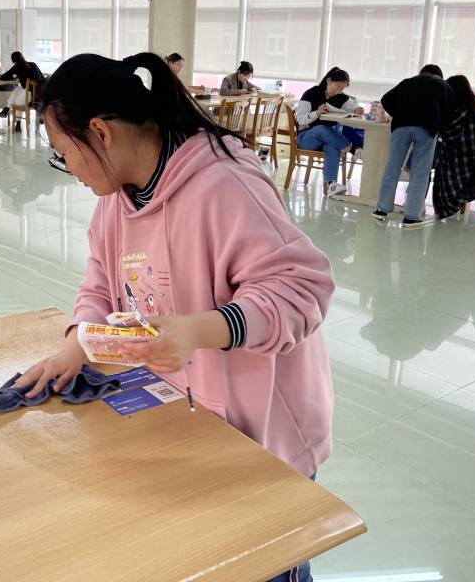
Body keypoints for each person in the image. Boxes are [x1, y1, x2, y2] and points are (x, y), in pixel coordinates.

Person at [17, 52, 335, 582]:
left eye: (63, 153)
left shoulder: (224, 186)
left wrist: (198, 330)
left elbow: (303, 289)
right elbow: (100, 280)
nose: (68, 169)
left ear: (100, 133)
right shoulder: (118, 197)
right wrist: (77, 345)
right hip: (192, 423)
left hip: (262, 441)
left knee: (265, 568)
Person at [372, 65, 454, 228]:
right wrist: (439, 124)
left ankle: (381, 210)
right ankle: (411, 217)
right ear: (439, 76)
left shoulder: (407, 82)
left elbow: (386, 99)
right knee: (420, 172)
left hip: (401, 127)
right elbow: (449, 112)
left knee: (392, 168)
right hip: (427, 128)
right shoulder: (443, 86)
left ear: (421, 74)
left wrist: (399, 113)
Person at [294, 67, 364, 198]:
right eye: (337, 87)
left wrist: (357, 110)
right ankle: (352, 149)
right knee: (321, 129)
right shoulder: (310, 94)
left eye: (341, 89)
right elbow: (301, 119)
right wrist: (317, 113)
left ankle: (332, 185)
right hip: (306, 137)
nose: (338, 91)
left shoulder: (340, 97)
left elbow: (353, 106)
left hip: (327, 138)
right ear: (329, 80)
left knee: (332, 145)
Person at [433, 75, 475, 220]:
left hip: (467, 169)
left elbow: (444, 133)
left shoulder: (463, 112)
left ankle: (440, 207)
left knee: (433, 155)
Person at [0, 51, 45, 129]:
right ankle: (6, 110)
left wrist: (11, 77)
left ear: (13, 60)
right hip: (37, 94)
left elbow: (5, 76)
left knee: (17, 103)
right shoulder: (33, 64)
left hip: (29, 94)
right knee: (16, 90)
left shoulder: (17, 66)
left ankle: (18, 125)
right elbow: (41, 76)